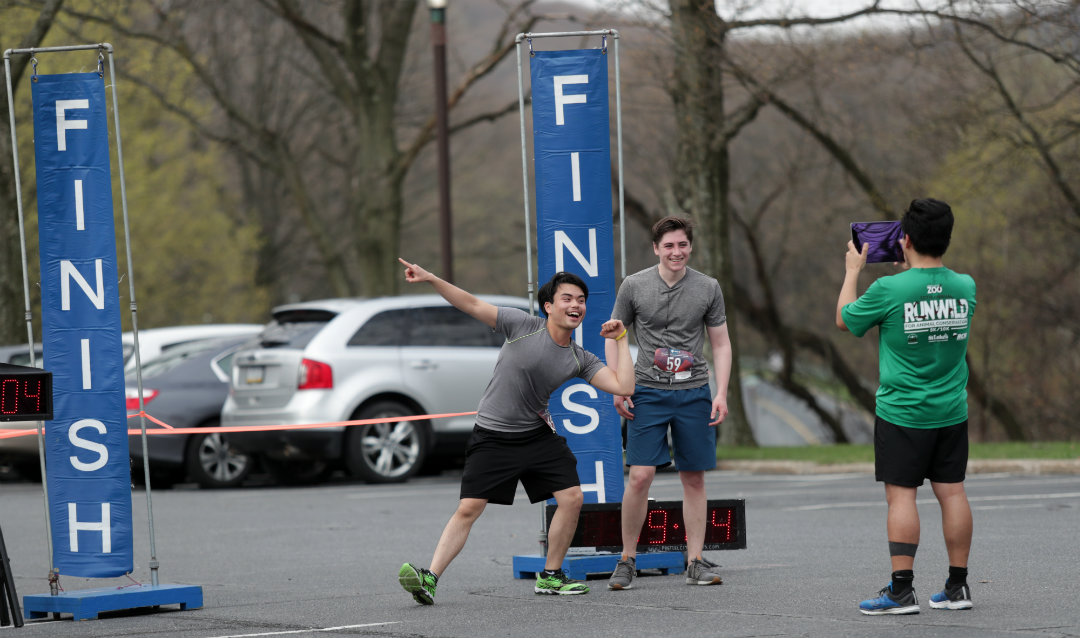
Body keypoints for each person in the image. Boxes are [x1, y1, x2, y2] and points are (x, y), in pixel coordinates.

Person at [395, 259, 635, 604]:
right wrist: (432, 278)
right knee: (469, 508)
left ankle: (551, 576)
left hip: (536, 436)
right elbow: (472, 303)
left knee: (572, 497)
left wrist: (622, 338)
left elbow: (623, 384)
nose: (576, 305)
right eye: (567, 298)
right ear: (549, 306)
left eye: (581, 300)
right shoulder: (522, 324)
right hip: (493, 435)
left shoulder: (580, 358)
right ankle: (429, 578)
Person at [836, 198, 977, 615]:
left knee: (902, 498)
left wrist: (852, 272)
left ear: (905, 239)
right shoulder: (965, 285)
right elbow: (932, 298)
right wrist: (917, 273)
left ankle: (901, 591)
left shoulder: (887, 289)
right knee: (952, 494)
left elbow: (845, 319)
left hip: (903, 413)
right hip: (951, 410)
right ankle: (957, 587)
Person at [605, 216, 732, 591]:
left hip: (694, 393)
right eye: (669, 246)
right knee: (640, 475)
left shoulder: (708, 287)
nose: (676, 252)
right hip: (647, 390)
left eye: (682, 245)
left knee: (693, 477)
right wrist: (616, 385)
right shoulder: (634, 285)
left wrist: (721, 392)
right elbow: (612, 337)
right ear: (656, 249)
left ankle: (694, 561)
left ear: (690, 247)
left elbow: (721, 344)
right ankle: (627, 559)